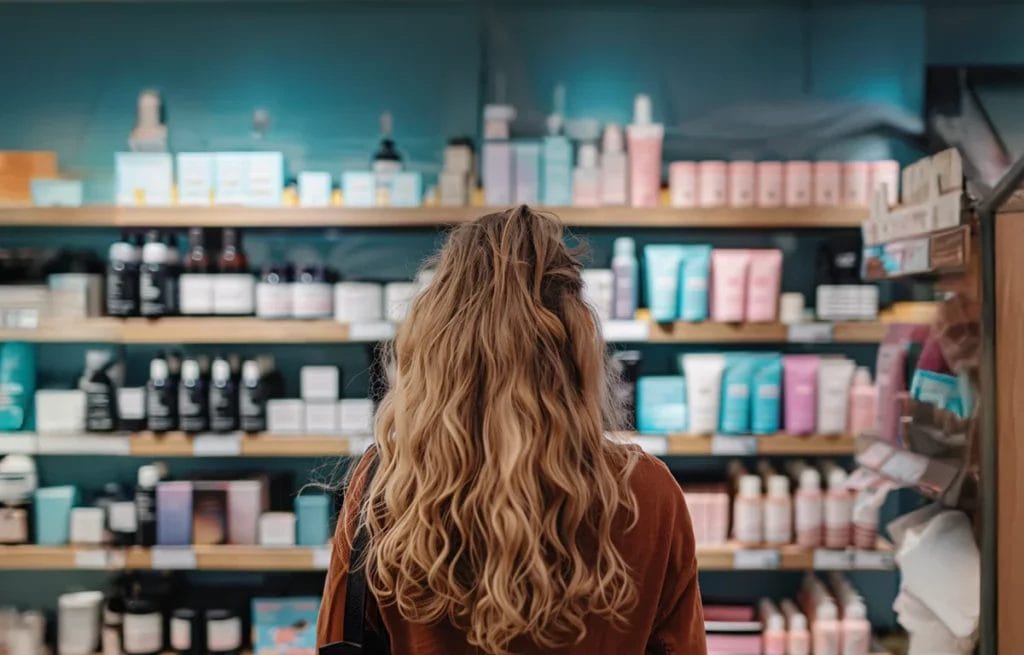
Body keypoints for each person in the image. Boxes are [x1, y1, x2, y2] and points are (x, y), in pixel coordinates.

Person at [318, 206, 705, 655]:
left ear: (434, 342)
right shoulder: (646, 493)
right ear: (578, 345)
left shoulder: (384, 486)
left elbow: (336, 641)